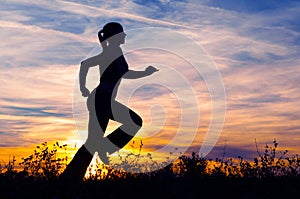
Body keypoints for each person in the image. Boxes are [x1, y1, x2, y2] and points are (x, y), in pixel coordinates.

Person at [61, 22, 158, 181]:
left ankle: (70, 178)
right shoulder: (111, 51)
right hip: (101, 99)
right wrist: (82, 87)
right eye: (122, 33)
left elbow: (125, 74)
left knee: (93, 141)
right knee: (133, 122)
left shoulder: (115, 51)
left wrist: (145, 73)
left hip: (104, 100)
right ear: (116, 36)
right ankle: (102, 149)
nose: (125, 36)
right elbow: (85, 64)